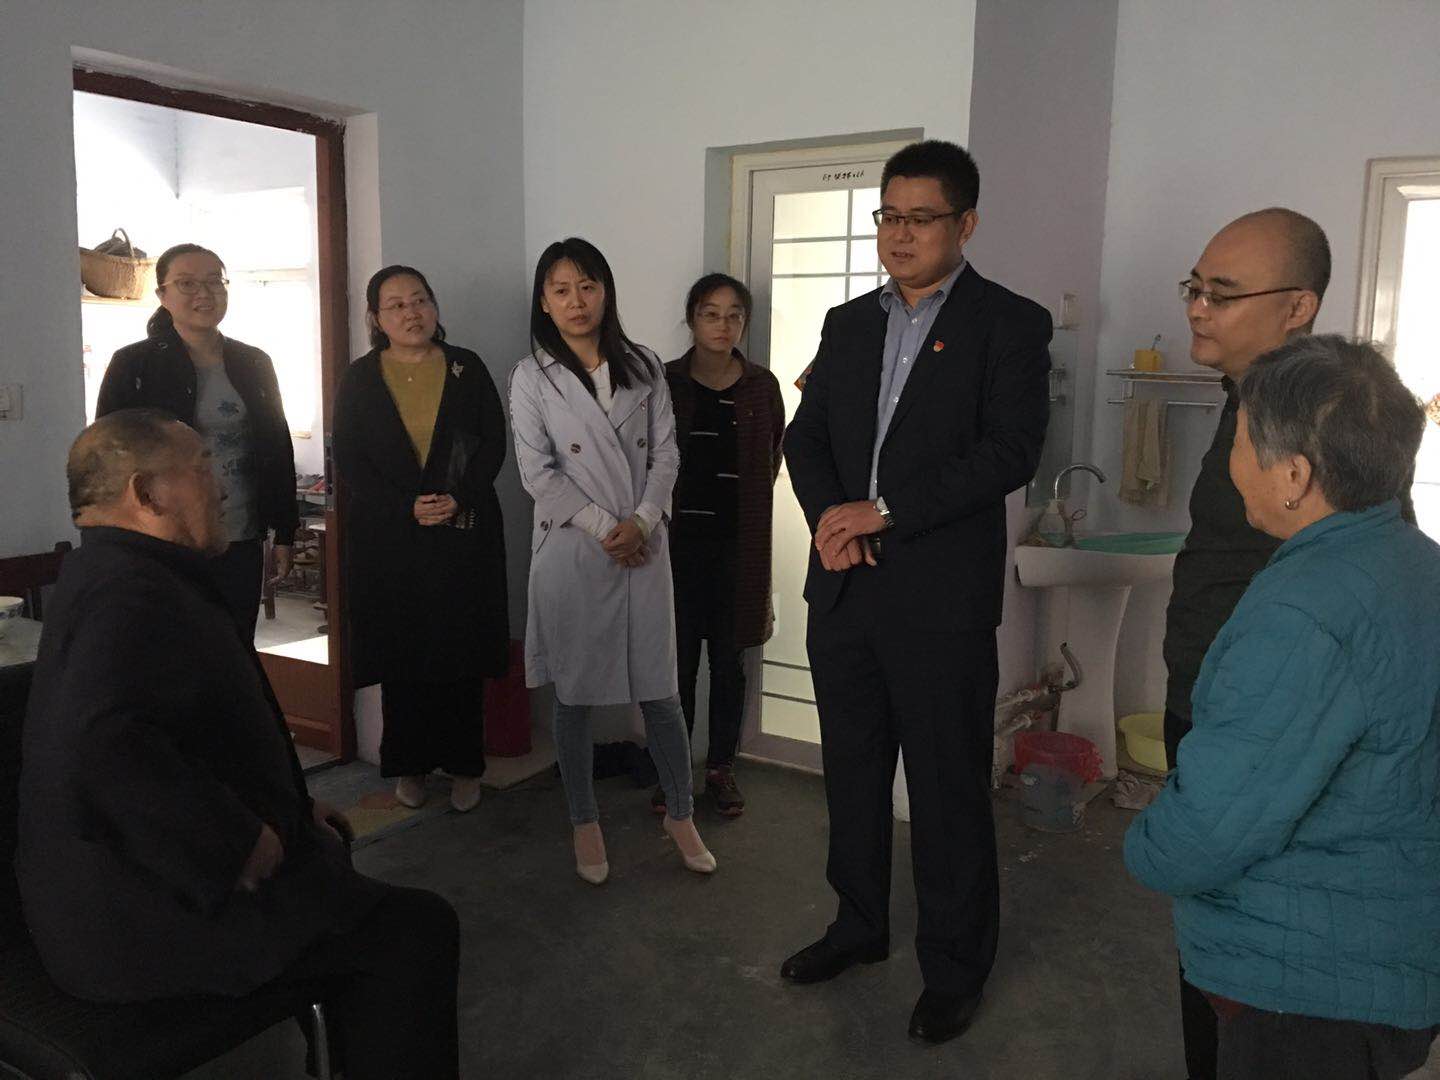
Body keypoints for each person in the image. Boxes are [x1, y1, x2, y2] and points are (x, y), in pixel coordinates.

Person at [16, 409, 460, 1079]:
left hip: (137, 895)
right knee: (414, 931)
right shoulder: (128, 594)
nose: (222, 485)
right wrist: (234, 842)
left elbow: (188, 737)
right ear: (147, 493)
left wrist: (289, 807)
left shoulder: (121, 572)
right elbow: (102, 749)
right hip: (143, 925)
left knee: (357, 892)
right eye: (203, 468)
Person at [780, 139, 1051, 1044]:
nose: (900, 235)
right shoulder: (848, 323)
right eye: (889, 216)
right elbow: (805, 437)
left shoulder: (1009, 325)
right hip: (845, 593)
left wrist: (883, 511)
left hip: (939, 607)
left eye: (921, 218)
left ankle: (955, 968)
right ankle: (858, 925)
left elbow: (1010, 452)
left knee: (945, 792)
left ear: (964, 224)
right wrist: (833, 519)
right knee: (853, 777)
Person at [1126, 336, 1439, 1080]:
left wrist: (1145, 846)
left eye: (1239, 442)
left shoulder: (1304, 612)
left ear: (1295, 476)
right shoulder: (1416, 561)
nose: (1232, 462)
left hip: (1311, 983)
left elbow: (1212, 826)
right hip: (1394, 943)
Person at [1162, 207, 1332, 1078]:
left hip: (1253, 730)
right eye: (1195, 288)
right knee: (1212, 938)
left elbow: (1346, 588)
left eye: (1223, 294)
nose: (1199, 308)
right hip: (1212, 710)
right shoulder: (1250, 399)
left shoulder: (1319, 418)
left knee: (1248, 959)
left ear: (1297, 306)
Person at [509, 237, 714, 885]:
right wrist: (607, 528)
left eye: (588, 286)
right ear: (544, 301)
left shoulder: (644, 365)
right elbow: (538, 473)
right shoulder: (532, 377)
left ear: (606, 292)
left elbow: (667, 454)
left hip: (643, 545)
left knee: (660, 689)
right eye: (561, 289)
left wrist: (643, 521)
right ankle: (584, 820)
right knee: (574, 697)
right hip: (576, 547)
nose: (577, 301)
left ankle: (680, 813)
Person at [333, 266, 509, 814]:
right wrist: (402, 506)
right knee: (402, 653)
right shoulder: (360, 378)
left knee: (460, 651)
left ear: (434, 306)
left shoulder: (466, 368)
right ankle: (408, 766)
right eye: (396, 305)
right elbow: (350, 459)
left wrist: (461, 496)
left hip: (462, 529)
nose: (411, 313)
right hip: (391, 539)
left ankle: (464, 766)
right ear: (376, 318)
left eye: (420, 300)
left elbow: (493, 443)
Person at [96, 243, 299, 638]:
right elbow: (106, 455)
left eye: (214, 282)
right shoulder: (133, 364)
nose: (204, 294)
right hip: (162, 538)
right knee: (170, 648)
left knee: (235, 646)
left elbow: (277, 447)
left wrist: (285, 530)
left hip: (237, 535)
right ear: (162, 295)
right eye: (187, 283)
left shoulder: (254, 362)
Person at [653, 273, 785, 818]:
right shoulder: (664, 382)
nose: (723, 325)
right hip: (676, 549)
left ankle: (721, 769)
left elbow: (771, 457)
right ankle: (673, 773)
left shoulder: (761, 386)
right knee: (676, 666)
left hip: (738, 548)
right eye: (711, 313)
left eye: (734, 315)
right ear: (692, 319)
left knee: (730, 665)